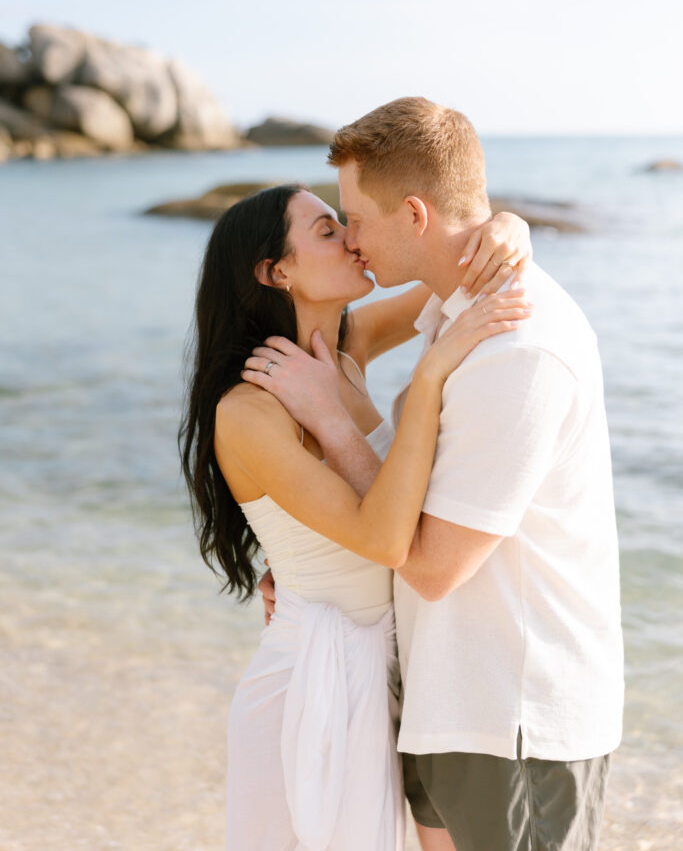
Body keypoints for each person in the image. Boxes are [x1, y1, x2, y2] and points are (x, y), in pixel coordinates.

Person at [252, 98, 624, 851]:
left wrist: (331, 420)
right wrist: (301, 562)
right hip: (442, 696)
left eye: (352, 216)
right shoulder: (448, 317)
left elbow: (430, 564)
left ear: (414, 215)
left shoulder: (515, 349)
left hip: (513, 717)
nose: (350, 239)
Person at [180, 181, 533, 851]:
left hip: (388, 668)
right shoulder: (247, 411)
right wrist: (429, 377)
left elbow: (454, 273)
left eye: (343, 222)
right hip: (307, 687)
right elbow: (382, 536)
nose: (349, 238)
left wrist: (511, 226)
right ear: (274, 272)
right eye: (324, 230)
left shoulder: (348, 346)